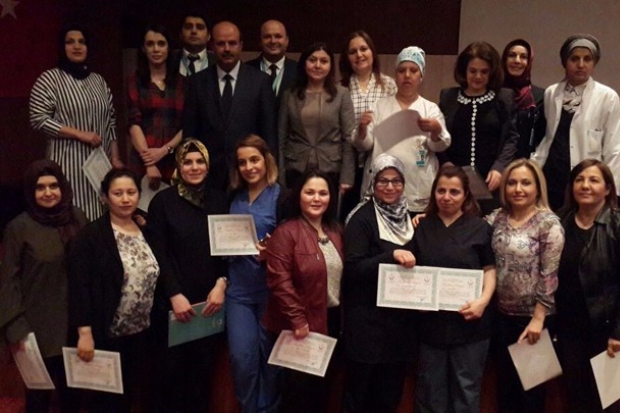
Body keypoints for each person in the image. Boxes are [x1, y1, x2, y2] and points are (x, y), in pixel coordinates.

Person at [68, 168, 159, 412]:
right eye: (118, 193)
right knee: (106, 403)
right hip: (105, 333)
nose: (125, 199)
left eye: (131, 192)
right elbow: (79, 287)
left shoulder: (147, 232)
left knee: (133, 397)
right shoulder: (90, 236)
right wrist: (84, 332)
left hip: (141, 333)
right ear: (105, 197)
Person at [147, 139, 228, 413]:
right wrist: (174, 294)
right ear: (179, 166)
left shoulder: (220, 199)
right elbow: (158, 253)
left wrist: (221, 284)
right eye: (187, 162)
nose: (194, 167)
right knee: (170, 379)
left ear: (208, 165)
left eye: (200, 161)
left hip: (210, 305)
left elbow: (227, 251)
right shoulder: (162, 202)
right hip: (174, 306)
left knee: (202, 379)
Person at [0, 160, 87, 413]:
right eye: (40, 188)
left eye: (53, 186)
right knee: (38, 401)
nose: (48, 193)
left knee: (73, 398)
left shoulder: (77, 218)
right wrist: (17, 329)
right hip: (37, 331)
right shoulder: (19, 227)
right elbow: (8, 281)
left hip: (77, 326)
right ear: (30, 191)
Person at [413, 165, 496, 413]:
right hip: (431, 325)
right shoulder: (421, 227)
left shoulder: (480, 228)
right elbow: (412, 272)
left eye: (454, 192)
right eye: (441, 191)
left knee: (466, 392)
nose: (446, 197)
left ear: (465, 195)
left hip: (470, 324)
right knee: (430, 392)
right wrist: (416, 300)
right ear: (433, 193)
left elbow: (489, 269)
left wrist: (483, 301)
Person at [262, 169, 344, 412]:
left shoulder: (336, 231)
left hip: (331, 320)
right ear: (299, 196)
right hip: (299, 325)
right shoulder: (286, 232)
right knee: (298, 395)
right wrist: (297, 320)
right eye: (310, 192)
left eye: (323, 193)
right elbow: (280, 282)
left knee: (322, 392)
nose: (316, 198)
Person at [487, 159, 564, 413]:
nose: (518, 189)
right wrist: (427, 215)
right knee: (505, 391)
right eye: (512, 183)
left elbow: (549, 275)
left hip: (534, 321)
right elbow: (466, 227)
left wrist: (538, 319)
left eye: (525, 183)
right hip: (501, 318)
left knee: (531, 395)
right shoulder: (497, 218)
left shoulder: (549, 223)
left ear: (537, 187)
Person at [342, 154, 416, 412]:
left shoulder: (410, 218)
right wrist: (390, 256)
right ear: (373, 182)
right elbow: (353, 269)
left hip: (398, 330)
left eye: (396, 181)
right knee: (359, 398)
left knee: (388, 399)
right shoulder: (361, 219)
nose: (390, 186)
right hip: (366, 329)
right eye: (383, 180)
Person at [29, 23, 123, 221]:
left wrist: (115, 157)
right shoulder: (49, 79)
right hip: (68, 164)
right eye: (70, 42)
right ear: (62, 47)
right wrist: (79, 134)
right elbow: (38, 119)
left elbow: (111, 121)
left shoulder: (99, 81)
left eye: (82, 42)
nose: (77, 46)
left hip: (100, 166)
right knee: (73, 218)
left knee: (101, 217)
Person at [226, 134, 286, 412]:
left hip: (270, 292)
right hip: (238, 292)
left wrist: (271, 252)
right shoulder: (232, 197)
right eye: (243, 162)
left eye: (254, 160)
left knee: (271, 361)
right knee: (242, 360)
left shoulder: (281, 197)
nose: (249, 167)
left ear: (266, 160)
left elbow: (291, 245)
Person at [554, 159, 620, 412]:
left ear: (607, 188)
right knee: (576, 398)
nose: (585, 185)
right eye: (579, 180)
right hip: (569, 329)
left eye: (594, 180)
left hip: (605, 330)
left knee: (606, 402)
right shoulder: (559, 221)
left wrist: (618, 333)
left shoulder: (616, 224)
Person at [353, 46, 450, 215]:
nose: (407, 75)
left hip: (417, 192)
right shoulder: (379, 106)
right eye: (402, 70)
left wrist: (436, 130)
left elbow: (440, 145)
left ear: (421, 76)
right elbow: (364, 145)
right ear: (395, 76)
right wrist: (362, 129)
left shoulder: (430, 109)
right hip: (382, 191)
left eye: (413, 70)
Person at [183, 21, 277, 191]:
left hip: (248, 172)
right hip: (208, 174)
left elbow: (268, 131)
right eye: (221, 43)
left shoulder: (260, 81)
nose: (227, 49)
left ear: (241, 45)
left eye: (232, 43)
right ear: (212, 46)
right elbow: (190, 133)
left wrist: (270, 173)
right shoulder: (197, 82)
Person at [532, 34, 620, 211]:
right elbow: (549, 137)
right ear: (564, 62)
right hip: (552, 178)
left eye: (587, 59)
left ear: (594, 63)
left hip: (585, 182)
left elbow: (613, 149)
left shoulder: (607, 97)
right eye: (574, 59)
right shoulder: (551, 93)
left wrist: (612, 193)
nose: (581, 65)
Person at [439, 41, 519, 214]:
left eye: (484, 72)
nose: (478, 76)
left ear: (492, 72)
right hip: (455, 182)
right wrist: (445, 162)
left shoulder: (504, 98)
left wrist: (500, 167)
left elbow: (511, 138)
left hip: (492, 180)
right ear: (464, 71)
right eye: (472, 71)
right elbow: (439, 136)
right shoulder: (448, 97)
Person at [278, 42, 356, 191]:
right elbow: (281, 138)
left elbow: (348, 138)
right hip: (295, 168)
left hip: (331, 168)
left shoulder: (342, 94)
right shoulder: (289, 95)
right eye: (312, 60)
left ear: (331, 66)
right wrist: (280, 175)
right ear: (304, 63)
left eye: (324, 61)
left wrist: (347, 177)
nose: (317, 65)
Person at [339, 30, 396, 218]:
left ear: (372, 52)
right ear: (347, 57)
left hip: (379, 162)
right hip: (348, 165)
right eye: (353, 51)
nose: (359, 55)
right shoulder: (340, 88)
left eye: (363, 49)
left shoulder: (389, 85)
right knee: (347, 217)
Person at [127, 24, 183, 191]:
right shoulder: (135, 82)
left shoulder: (183, 83)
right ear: (143, 49)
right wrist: (149, 163)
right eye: (150, 44)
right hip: (143, 161)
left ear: (168, 48)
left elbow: (187, 125)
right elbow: (134, 124)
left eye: (161, 43)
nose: (156, 49)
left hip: (174, 159)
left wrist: (165, 150)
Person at [501, 39, 546, 159]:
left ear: (529, 62)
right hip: (495, 165)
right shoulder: (493, 93)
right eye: (512, 55)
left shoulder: (539, 96)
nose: (517, 61)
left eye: (523, 57)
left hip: (526, 164)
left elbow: (542, 138)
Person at [246, 20, 297, 106]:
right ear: (260, 41)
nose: (273, 41)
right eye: (267, 37)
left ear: (287, 41)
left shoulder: (299, 70)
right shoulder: (246, 70)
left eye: (278, 36)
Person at [178, 11, 215, 77]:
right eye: (188, 27)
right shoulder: (169, 60)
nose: (194, 31)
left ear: (209, 36)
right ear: (180, 34)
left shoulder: (218, 61)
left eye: (200, 27)